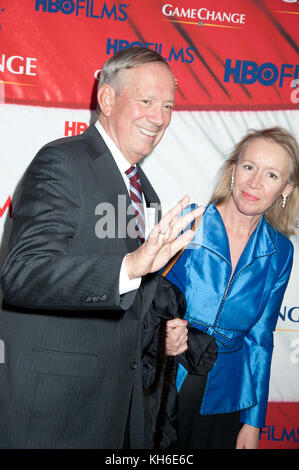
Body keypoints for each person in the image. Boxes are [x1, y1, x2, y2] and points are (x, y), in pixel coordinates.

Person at [0, 47, 202, 449]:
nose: (159, 117)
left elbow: (128, 310)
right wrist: (128, 265)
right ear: (107, 99)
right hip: (53, 413)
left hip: (115, 411)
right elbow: (20, 274)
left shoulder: (148, 193)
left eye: (167, 105)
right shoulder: (63, 161)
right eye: (145, 101)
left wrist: (158, 336)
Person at [164, 127, 298, 449]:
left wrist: (253, 424)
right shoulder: (188, 222)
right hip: (161, 382)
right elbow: (144, 304)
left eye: (271, 174)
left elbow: (260, 341)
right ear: (234, 169)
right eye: (249, 167)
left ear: (286, 189)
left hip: (223, 401)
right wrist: (159, 335)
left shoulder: (281, 251)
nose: (254, 183)